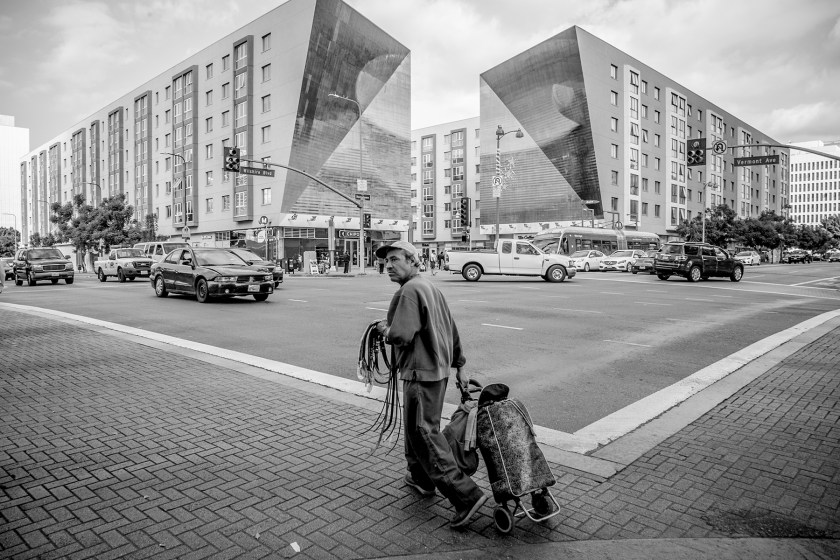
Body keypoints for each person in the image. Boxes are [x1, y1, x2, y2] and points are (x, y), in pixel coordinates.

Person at [374, 241, 487, 529]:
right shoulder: (429, 287)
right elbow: (451, 328)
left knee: (425, 434)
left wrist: (383, 329)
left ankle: (466, 496)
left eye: (395, 259)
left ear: (412, 261)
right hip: (434, 371)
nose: (388, 265)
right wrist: (460, 365)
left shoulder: (409, 290)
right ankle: (420, 479)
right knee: (415, 431)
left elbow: (401, 335)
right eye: (386, 261)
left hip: (421, 373)